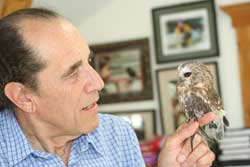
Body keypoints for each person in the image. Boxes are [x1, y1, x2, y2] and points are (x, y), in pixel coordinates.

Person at [0, 8, 215, 167]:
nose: (99, 82)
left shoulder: (117, 134)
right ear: (24, 97)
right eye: (72, 72)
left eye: (89, 61)